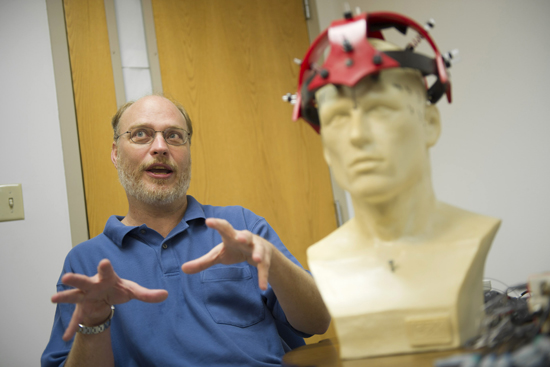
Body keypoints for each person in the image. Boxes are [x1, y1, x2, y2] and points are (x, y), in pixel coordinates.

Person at [41, 95, 330, 367]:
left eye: (174, 136)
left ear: (188, 154)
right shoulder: (86, 262)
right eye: (140, 134)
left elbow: (317, 322)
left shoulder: (240, 225)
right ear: (116, 154)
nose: (160, 147)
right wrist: (93, 321)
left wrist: (271, 258)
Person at [291, 12, 500, 359]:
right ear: (326, 144)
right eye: (339, 117)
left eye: (381, 108)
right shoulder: (327, 260)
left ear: (430, 123)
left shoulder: (472, 236)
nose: (358, 135)